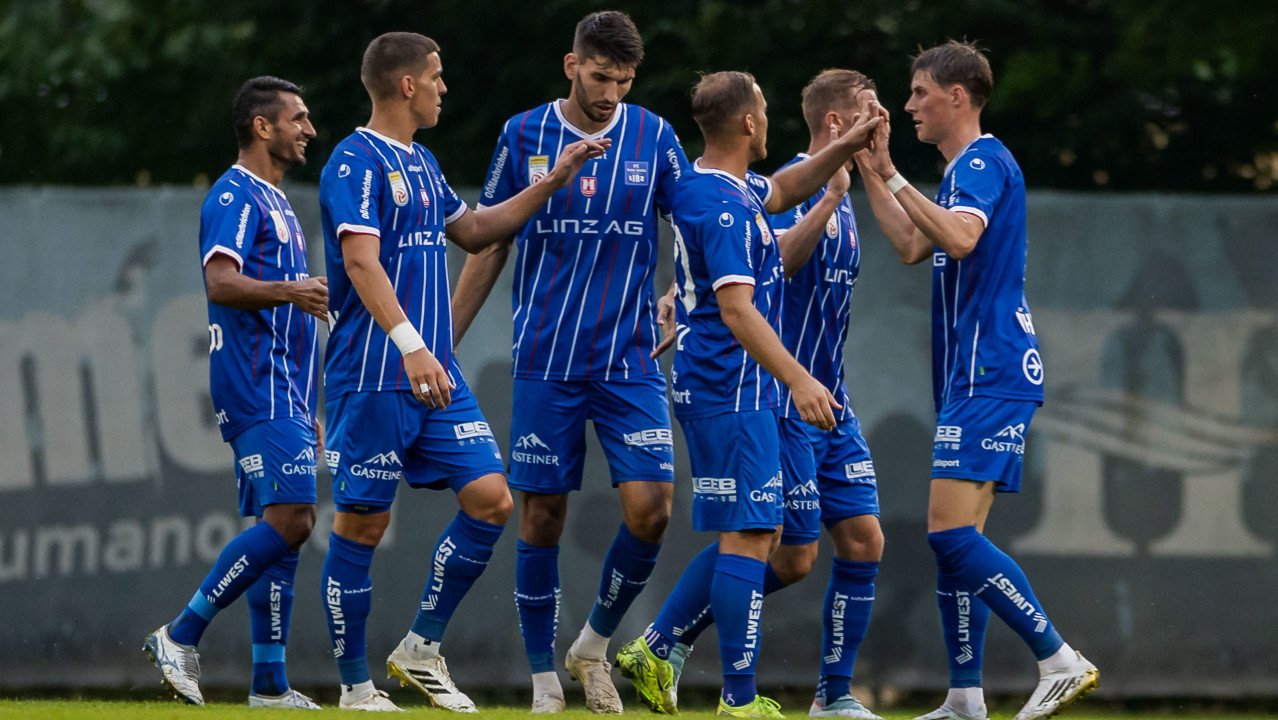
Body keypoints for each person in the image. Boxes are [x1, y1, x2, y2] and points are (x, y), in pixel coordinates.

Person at [316, 32, 608, 712]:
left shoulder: (420, 161)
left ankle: (421, 645)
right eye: (438, 76)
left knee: (492, 499)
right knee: (360, 525)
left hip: (431, 375)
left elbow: (478, 231)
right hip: (375, 373)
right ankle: (356, 688)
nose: (446, 87)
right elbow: (361, 263)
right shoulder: (353, 162)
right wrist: (412, 343)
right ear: (407, 85)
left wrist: (553, 179)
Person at [614, 71, 880, 719]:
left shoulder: (731, 188)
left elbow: (786, 186)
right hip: (728, 387)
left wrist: (847, 154)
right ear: (749, 124)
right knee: (752, 535)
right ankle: (736, 698)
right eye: (763, 108)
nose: (768, 118)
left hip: (740, 387)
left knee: (765, 538)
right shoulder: (718, 202)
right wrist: (798, 377)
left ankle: (674, 659)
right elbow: (737, 308)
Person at [450, 11, 686, 714]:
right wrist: (443, 340)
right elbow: (489, 240)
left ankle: (592, 645)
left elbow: (698, 228)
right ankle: (543, 680)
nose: (611, 92)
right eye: (600, 76)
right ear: (570, 65)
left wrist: (683, 294)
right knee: (542, 514)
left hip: (629, 359)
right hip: (546, 358)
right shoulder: (524, 133)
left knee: (653, 511)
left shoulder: (654, 136)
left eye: (623, 79)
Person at [854, 40, 1099, 720]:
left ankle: (1057, 658)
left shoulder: (985, 161)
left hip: (990, 369)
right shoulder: (962, 173)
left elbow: (959, 240)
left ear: (957, 96)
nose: (908, 106)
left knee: (947, 535)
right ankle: (965, 697)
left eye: (920, 93)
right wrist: (874, 169)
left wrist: (897, 176)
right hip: (976, 375)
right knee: (960, 542)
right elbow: (911, 245)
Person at [143, 76, 325, 710]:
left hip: (287, 393)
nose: (308, 129)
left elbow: (287, 323)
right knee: (293, 519)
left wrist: (309, 404)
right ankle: (180, 633)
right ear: (261, 127)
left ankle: (269, 684)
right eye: (297, 119)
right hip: (256, 384)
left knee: (283, 525)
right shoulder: (236, 194)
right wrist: (293, 290)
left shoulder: (278, 201)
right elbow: (221, 283)